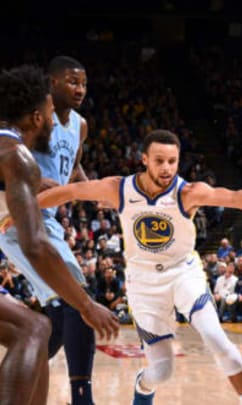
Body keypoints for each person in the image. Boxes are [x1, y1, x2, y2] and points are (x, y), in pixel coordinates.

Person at [34, 129, 242, 405]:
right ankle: (143, 387)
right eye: (159, 161)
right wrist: (23, 210)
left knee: (218, 341)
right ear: (144, 159)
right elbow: (71, 191)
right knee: (161, 370)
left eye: (173, 161)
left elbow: (233, 197)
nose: (167, 168)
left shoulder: (187, 193)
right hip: (143, 282)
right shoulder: (119, 188)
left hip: (183, 272)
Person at [0, 64, 118, 405]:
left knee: (33, 330)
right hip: (26, 227)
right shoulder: (16, 155)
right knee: (36, 327)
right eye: (50, 112)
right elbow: (35, 245)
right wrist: (88, 306)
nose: (54, 120)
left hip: (30, 221)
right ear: (37, 117)